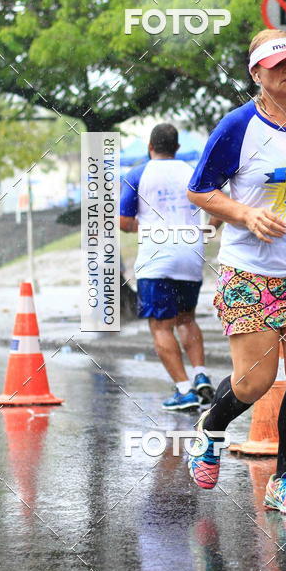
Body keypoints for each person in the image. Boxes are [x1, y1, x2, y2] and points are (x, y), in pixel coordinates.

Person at [186, 30, 286, 516]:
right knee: (254, 383)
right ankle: (211, 427)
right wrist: (245, 215)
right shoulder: (238, 126)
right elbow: (200, 190)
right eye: (277, 65)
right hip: (250, 269)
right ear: (257, 74)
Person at [119, 123, 214, 410]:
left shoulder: (138, 172)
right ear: (177, 148)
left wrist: (148, 226)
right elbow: (218, 205)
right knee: (187, 318)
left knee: (161, 326)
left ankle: (184, 391)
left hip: (157, 259)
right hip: (191, 253)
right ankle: (200, 375)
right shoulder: (191, 171)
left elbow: (123, 221)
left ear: (150, 147)